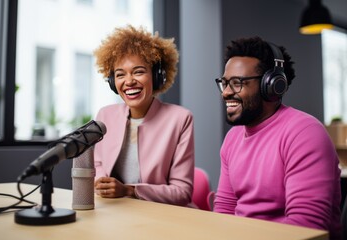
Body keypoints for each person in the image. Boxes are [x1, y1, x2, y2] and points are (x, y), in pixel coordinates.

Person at [213, 36, 341, 239]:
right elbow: (225, 210)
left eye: (237, 83)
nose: (226, 93)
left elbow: (306, 228)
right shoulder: (233, 138)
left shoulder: (305, 133)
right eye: (225, 83)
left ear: (271, 85)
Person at [92, 25, 195, 207]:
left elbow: (182, 192)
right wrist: (101, 183)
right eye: (120, 74)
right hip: (114, 212)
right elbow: (97, 165)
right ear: (112, 82)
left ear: (156, 77)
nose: (129, 81)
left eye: (138, 71)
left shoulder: (180, 119)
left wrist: (129, 190)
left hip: (163, 216)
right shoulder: (105, 115)